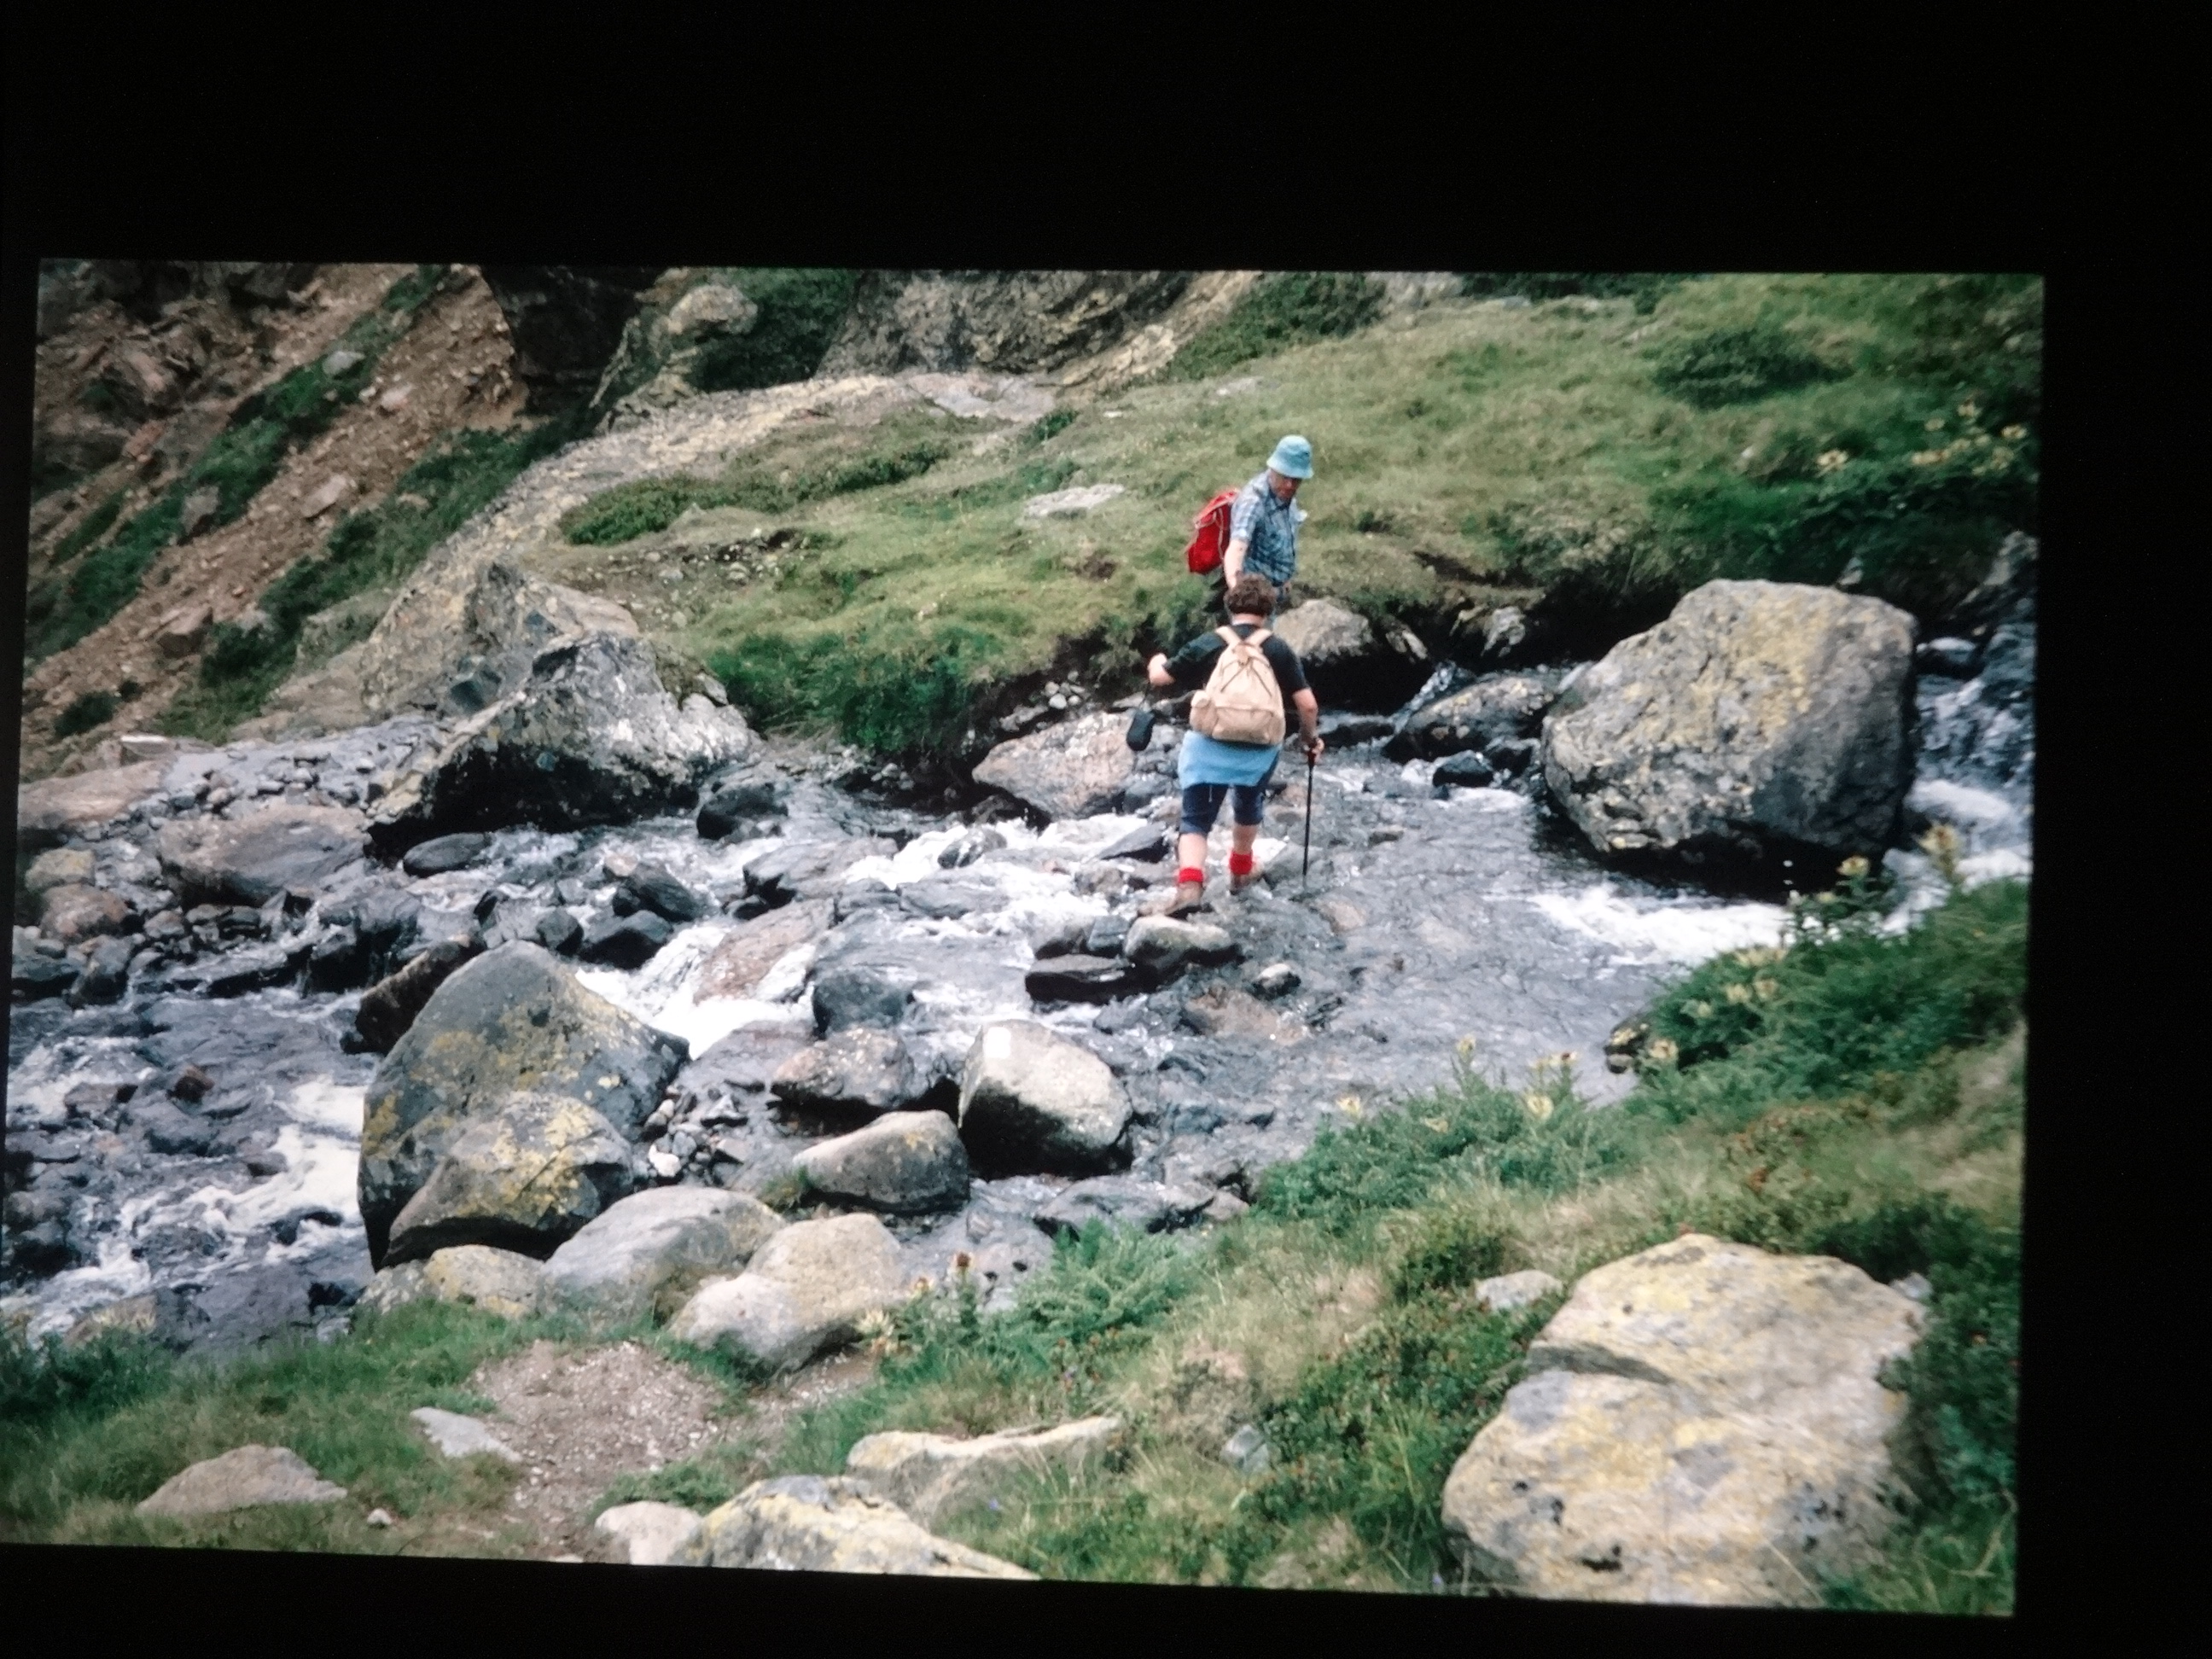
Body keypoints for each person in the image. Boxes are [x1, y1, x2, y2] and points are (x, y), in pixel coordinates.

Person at [1146, 572, 1324, 913]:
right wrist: (1309, 740)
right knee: (1248, 800)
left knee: (1196, 816)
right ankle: (1241, 872)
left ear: (1230, 606)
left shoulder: (1209, 642)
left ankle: (1189, 884)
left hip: (1210, 741)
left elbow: (1160, 677)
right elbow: (1308, 705)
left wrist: (1155, 660)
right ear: (1268, 609)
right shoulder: (1278, 648)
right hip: (1259, 747)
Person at [1221, 435, 1313, 606]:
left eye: (1296, 480)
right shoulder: (1253, 502)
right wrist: (1239, 593)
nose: (1289, 485)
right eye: (1285, 477)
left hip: (1279, 592)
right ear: (1273, 468)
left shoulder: (1285, 495)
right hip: (1256, 602)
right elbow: (1237, 548)